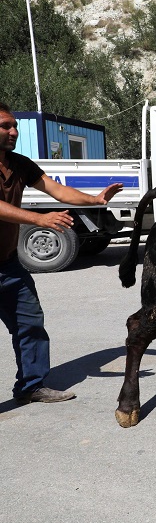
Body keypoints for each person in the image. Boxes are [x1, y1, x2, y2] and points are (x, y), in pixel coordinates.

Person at [0, 102, 122, 403]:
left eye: (14, 126)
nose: (14, 131)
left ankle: (31, 386)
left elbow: (57, 191)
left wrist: (94, 200)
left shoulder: (19, 164)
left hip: (8, 265)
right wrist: (39, 219)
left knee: (30, 324)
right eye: (5, 126)